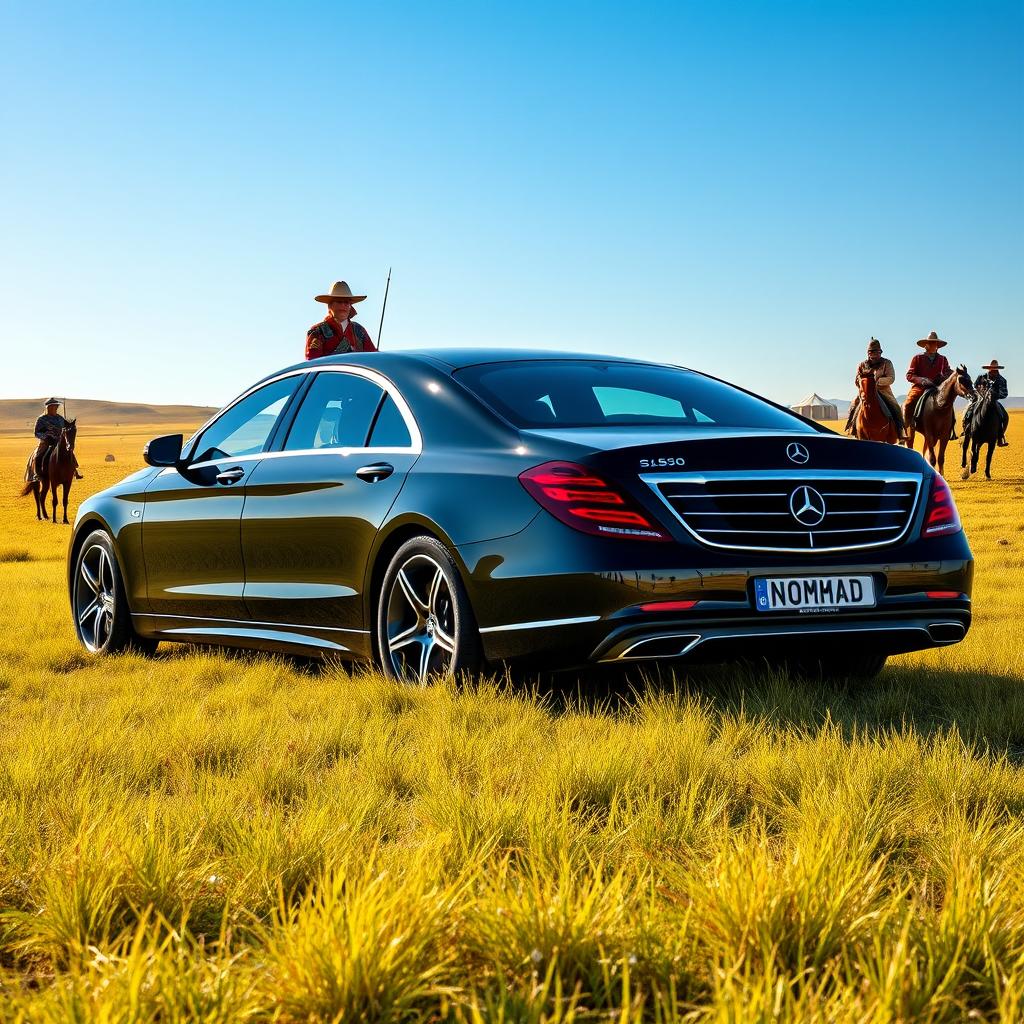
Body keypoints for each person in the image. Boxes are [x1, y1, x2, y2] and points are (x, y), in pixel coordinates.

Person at [844, 337, 906, 439]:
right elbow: (857, 380)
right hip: (865, 391)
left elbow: (891, 378)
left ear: (880, 352)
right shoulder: (862, 365)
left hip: (883, 391)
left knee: (895, 406)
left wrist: (877, 382)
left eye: (876, 352)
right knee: (853, 405)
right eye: (871, 352)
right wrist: (864, 384)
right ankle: (852, 428)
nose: (873, 354)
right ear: (868, 353)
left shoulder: (887, 363)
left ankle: (900, 431)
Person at [305, 281, 376, 359]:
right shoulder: (318, 331)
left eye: (346, 302)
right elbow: (313, 362)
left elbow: (373, 358)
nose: (343, 305)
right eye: (339, 301)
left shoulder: (359, 331)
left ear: (350, 306)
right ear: (330, 306)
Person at [902, 330, 952, 430]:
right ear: (926, 345)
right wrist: (921, 380)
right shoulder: (917, 358)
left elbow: (948, 371)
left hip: (937, 388)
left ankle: (950, 429)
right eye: (931, 343)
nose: (934, 345)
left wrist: (950, 375)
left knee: (948, 404)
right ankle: (904, 428)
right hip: (920, 388)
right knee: (908, 403)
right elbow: (909, 375)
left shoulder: (943, 359)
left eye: (935, 343)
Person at [32, 398, 82, 480]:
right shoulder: (41, 419)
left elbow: (67, 429)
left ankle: (74, 470)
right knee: (39, 456)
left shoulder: (60, 418)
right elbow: (37, 433)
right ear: (48, 408)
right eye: (52, 407)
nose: (54, 408)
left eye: (55, 407)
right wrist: (47, 435)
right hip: (47, 442)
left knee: (69, 451)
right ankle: (37, 474)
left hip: (59, 441)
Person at [964, 359, 1010, 447]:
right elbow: (975, 387)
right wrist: (980, 393)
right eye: (991, 369)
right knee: (969, 410)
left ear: (997, 370)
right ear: (988, 369)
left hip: (993, 401)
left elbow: (1005, 393)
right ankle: (967, 429)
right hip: (980, 399)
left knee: (1004, 416)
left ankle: (1000, 437)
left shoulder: (1002, 380)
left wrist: (996, 395)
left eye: (995, 369)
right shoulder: (981, 377)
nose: (993, 371)